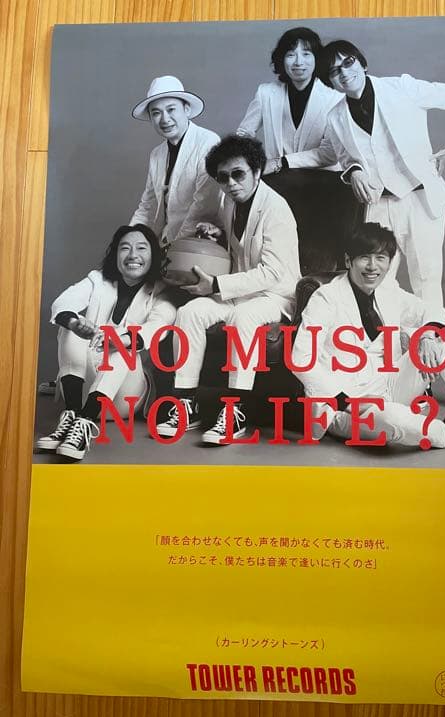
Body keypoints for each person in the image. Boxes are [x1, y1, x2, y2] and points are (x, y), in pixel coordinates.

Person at [292, 222, 445, 453]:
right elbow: (301, 360)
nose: (372, 266)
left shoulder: (387, 291)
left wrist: (428, 336)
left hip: (389, 386)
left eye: (380, 258)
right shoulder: (326, 299)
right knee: (397, 422)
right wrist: (346, 401)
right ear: (349, 260)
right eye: (364, 257)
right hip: (344, 406)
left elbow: (431, 311)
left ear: (389, 263)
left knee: (441, 338)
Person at [302, 40, 445, 310]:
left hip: (419, 200)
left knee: (426, 281)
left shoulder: (402, 88)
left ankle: (432, 336)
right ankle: (387, 337)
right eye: (335, 71)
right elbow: (346, 157)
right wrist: (354, 171)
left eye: (348, 63)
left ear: (362, 63)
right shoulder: (335, 117)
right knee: (377, 286)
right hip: (378, 205)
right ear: (330, 81)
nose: (344, 73)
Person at [156, 135, 301, 445]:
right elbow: (240, 243)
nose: (231, 184)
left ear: (256, 171)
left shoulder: (277, 208)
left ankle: (237, 410)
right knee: (189, 312)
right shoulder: (229, 202)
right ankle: (186, 403)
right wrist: (217, 232)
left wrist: (215, 285)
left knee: (244, 318)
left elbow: (273, 272)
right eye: (223, 178)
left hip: (276, 295)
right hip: (238, 291)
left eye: (238, 174)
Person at [36, 225, 176, 461]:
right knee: (71, 325)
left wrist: (119, 339)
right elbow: (62, 303)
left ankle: (85, 423)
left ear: (153, 255)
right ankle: (72, 415)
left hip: (124, 395)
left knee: (124, 345)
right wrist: (75, 324)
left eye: (142, 248)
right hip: (84, 387)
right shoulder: (98, 280)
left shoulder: (162, 292)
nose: (133, 255)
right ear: (115, 254)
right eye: (125, 248)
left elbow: (158, 327)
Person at [236, 28, 352, 272]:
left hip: (324, 186)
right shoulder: (266, 93)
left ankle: (317, 280)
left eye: (307, 54)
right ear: (281, 59)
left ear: (317, 59)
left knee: (319, 257)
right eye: (291, 54)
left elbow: (329, 153)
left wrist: (280, 162)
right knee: (275, 251)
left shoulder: (333, 96)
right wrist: (254, 163)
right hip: (279, 185)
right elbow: (244, 134)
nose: (299, 62)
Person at [130, 76, 221, 247]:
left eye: (171, 109)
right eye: (156, 113)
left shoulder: (208, 142)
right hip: (166, 241)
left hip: (201, 243)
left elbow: (204, 206)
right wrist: (130, 241)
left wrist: (172, 248)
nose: (164, 119)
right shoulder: (157, 154)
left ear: (186, 109)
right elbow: (148, 206)